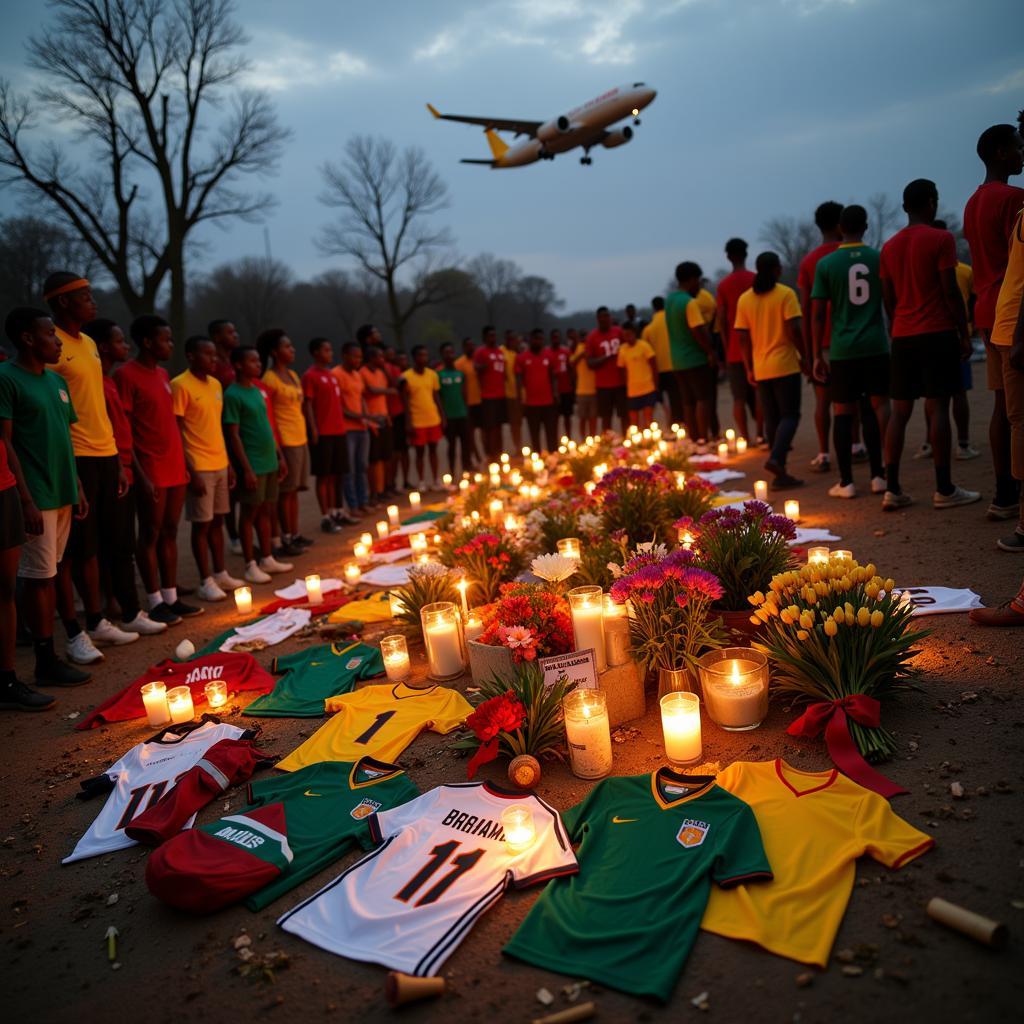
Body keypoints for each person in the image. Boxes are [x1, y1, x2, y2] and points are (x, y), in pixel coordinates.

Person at [44, 272, 136, 664]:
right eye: (84, 296)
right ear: (63, 302)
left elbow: (97, 405)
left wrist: (115, 457)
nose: (92, 301)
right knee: (78, 550)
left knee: (105, 543)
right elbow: (56, 411)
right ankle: (79, 628)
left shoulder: (89, 344)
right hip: (76, 455)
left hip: (104, 452)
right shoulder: (52, 346)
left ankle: (102, 619)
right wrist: (71, 466)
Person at [0, 307, 90, 694]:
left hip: (63, 490)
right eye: (49, 334)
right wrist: (25, 498)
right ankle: (44, 660)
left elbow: (64, 438)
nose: (57, 342)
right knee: (38, 580)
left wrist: (78, 486)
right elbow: (5, 442)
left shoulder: (56, 381)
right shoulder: (7, 379)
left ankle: (48, 657)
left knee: (50, 573)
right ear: (26, 338)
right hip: (35, 493)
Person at [879, 179, 980, 511]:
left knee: (900, 412)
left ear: (905, 207)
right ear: (932, 203)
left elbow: (888, 298)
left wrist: (899, 323)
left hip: (904, 334)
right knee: (938, 408)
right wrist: (964, 333)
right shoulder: (941, 238)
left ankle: (892, 488)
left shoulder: (890, 247)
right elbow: (950, 291)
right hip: (937, 332)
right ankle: (944, 489)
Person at [117, 315, 199, 623]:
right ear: (148, 342)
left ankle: (171, 597)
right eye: (166, 339)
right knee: (149, 533)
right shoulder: (126, 375)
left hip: (174, 465)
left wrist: (185, 464)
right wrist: (139, 472)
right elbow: (125, 428)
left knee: (170, 531)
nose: (171, 344)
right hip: (150, 467)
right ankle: (153, 602)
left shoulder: (163, 374)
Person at [963, 124, 1024, 521]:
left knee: (1002, 404)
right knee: (1017, 411)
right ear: (1002, 153)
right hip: (1013, 310)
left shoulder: (972, 202)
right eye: (1018, 148)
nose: (1022, 154)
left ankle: (1003, 492)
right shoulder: (1014, 198)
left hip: (986, 307)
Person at [90, 318, 165, 634]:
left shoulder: (109, 380)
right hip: (110, 465)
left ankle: (126, 605)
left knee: (121, 540)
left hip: (123, 467)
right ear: (104, 346)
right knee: (112, 542)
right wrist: (131, 468)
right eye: (120, 341)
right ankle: (117, 607)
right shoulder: (107, 379)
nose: (126, 346)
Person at [811, 205, 890, 499]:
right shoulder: (877, 258)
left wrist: (818, 352)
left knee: (843, 412)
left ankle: (846, 482)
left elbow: (818, 313)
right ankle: (880, 475)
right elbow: (890, 299)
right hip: (875, 344)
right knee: (878, 407)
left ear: (840, 229)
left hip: (843, 349)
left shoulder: (827, 264)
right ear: (866, 227)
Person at [171, 335, 245, 602]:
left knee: (218, 521)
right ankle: (205, 580)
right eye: (207, 354)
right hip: (199, 465)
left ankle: (220, 571)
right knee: (201, 525)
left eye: (215, 354)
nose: (214, 359)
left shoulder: (215, 384)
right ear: (191, 356)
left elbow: (216, 427)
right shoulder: (179, 385)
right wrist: (189, 468)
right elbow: (177, 430)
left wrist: (229, 464)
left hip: (219, 462)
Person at [735, 252, 805, 490]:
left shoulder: (745, 299)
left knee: (773, 420)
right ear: (777, 269)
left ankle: (780, 474)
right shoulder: (786, 294)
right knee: (791, 416)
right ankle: (776, 459)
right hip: (785, 364)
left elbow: (742, 338)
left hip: (761, 367)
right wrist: (805, 356)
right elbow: (794, 329)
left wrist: (748, 367)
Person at [223, 346, 291, 583]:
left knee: (267, 510)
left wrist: (279, 456)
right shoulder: (233, 394)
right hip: (252, 462)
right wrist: (246, 469)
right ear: (238, 365)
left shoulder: (257, 391)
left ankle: (267, 558)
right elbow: (233, 434)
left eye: (258, 360)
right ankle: (250, 563)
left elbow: (267, 426)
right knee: (249, 513)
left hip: (269, 459)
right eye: (252, 361)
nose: (258, 364)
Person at [983, 199, 1024, 552]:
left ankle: (1006, 496)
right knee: (1018, 419)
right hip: (1011, 329)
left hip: (1006, 325)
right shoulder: (1015, 207)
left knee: (1014, 418)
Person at [798, 202, 844, 474]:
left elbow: (806, 309)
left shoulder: (809, 261)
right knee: (853, 400)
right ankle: (856, 445)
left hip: (821, 342)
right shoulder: (851, 254)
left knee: (822, 401)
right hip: (850, 340)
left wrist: (808, 351)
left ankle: (824, 452)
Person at [258, 329, 312, 557]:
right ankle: (284, 536)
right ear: (274, 352)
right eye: (286, 347)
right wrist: (278, 445)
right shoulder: (269, 379)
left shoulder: (293, 375)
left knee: (295, 490)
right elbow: (270, 413)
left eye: (291, 346)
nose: (292, 350)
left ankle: (295, 532)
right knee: (285, 491)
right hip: (286, 439)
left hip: (300, 437)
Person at [665, 263, 716, 444]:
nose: (699, 287)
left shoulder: (670, 300)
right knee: (702, 398)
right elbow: (697, 330)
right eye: (698, 282)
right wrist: (710, 351)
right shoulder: (689, 302)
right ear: (692, 279)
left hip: (677, 361)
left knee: (687, 402)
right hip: (694, 358)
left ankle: (694, 438)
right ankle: (703, 437)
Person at [716, 238, 760, 442]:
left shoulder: (724, 285)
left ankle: (746, 437)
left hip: (734, 349)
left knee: (739, 398)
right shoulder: (756, 279)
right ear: (746, 254)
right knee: (759, 393)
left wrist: (726, 348)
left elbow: (722, 321)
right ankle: (761, 434)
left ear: (728, 256)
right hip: (758, 345)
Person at [303, 338, 349, 533]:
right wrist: (313, 429)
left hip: (339, 430)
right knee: (324, 476)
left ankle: (337, 511)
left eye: (331, 350)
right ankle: (325, 516)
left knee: (337, 474)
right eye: (326, 350)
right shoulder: (310, 376)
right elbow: (307, 404)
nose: (330, 353)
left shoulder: (331, 375)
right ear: (315, 353)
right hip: (323, 432)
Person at [208, 319, 241, 552]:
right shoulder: (215, 367)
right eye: (230, 332)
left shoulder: (233, 363)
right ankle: (233, 535)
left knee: (241, 487)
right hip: (222, 432)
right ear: (217, 337)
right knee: (231, 489)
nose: (235, 335)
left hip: (240, 429)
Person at [334, 342, 374, 516]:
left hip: (362, 428)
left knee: (362, 466)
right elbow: (338, 406)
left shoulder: (357, 375)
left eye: (360, 357)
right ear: (344, 356)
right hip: (347, 429)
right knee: (348, 469)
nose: (358, 360)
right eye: (354, 356)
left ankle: (363, 501)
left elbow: (361, 398)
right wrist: (360, 417)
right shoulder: (336, 374)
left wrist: (366, 417)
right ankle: (353, 505)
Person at [399, 345, 445, 488]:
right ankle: (421, 481)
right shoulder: (406, 377)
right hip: (417, 420)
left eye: (425, 355)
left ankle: (436, 480)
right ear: (414, 358)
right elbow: (405, 401)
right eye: (420, 356)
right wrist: (408, 421)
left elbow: (436, 396)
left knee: (433, 450)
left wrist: (442, 416)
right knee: (420, 452)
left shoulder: (432, 374)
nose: (423, 358)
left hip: (432, 418)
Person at [361, 345, 395, 503]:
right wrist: (388, 391)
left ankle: (383, 489)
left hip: (384, 417)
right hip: (372, 421)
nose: (383, 360)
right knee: (373, 459)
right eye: (380, 357)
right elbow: (370, 391)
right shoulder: (362, 372)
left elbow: (391, 386)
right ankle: (373, 492)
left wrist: (387, 415)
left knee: (385, 457)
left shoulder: (381, 372)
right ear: (371, 358)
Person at [586, 307, 626, 434]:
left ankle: (627, 442)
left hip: (621, 382)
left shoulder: (618, 332)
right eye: (601, 316)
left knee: (625, 416)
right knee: (606, 418)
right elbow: (590, 363)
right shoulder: (592, 337)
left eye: (607, 316)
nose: (604, 319)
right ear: (597, 319)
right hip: (603, 385)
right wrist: (606, 357)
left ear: (610, 317)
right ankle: (608, 445)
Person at [517, 329, 558, 453]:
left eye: (540, 339)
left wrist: (555, 393)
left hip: (548, 402)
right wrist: (521, 398)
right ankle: (538, 459)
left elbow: (553, 377)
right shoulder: (522, 357)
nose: (538, 341)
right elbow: (519, 380)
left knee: (551, 433)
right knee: (534, 434)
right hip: (531, 403)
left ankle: (554, 457)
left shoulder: (549, 355)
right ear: (530, 340)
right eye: (535, 339)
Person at [473, 326, 507, 460]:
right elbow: (476, 367)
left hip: (500, 395)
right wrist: (483, 366)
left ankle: (499, 453)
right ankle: (491, 455)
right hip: (488, 396)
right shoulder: (481, 351)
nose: (493, 338)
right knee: (490, 428)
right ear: (484, 337)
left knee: (499, 427)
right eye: (490, 336)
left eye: (494, 335)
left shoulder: (499, 351)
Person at [642, 296, 677, 424]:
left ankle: (669, 424)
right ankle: (680, 425)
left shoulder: (648, 329)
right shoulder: (673, 322)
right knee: (677, 399)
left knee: (663, 401)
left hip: (657, 369)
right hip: (676, 365)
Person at [616, 324, 659, 429]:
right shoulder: (622, 349)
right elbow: (621, 368)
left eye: (629, 334)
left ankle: (649, 441)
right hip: (632, 390)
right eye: (625, 335)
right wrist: (627, 384)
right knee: (634, 423)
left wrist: (655, 383)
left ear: (634, 333)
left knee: (648, 420)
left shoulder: (644, 346)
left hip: (647, 387)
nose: (627, 337)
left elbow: (653, 364)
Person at [438, 341, 472, 475]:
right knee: (451, 446)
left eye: (451, 352)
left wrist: (467, 412)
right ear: (442, 355)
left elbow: (464, 394)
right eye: (446, 353)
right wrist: (442, 416)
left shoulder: (460, 374)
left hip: (462, 414)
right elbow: (438, 398)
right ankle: (452, 473)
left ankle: (466, 471)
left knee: (466, 446)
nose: (450, 355)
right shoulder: (439, 375)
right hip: (449, 417)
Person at [384, 348, 412, 492]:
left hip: (399, 414)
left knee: (403, 450)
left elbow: (401, 389)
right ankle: (391, 483)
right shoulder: (383, 369)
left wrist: (407, 418)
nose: (392, 354)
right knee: (393, 453)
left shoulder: (395, 369)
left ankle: (405, 481)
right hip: (388, 416)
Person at [454, 337, 483, 467]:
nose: (471, 348)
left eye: (473, 345)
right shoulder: (459, 364)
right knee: (470, 434)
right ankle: (475, 458)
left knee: (484, 431)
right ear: (464, 348)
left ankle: (486, 456)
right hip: (468, 404)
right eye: (468, 345)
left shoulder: (479, 361)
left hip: (482, 400)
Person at [570, 328, 598, 439]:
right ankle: (583, 440)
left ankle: (593, 439)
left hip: (594, 389)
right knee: (582, 418)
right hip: (581, 390)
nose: (584, 339)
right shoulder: (578, 348)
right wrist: (582, 353)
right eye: (582, 336)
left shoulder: (593, 348)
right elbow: (572, 362)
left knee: (593, 418)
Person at [549, 328, 575, 442]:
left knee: (567, 417)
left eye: (558, 337)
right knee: (554, 419)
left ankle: (568, 439)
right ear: (551, 339)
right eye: (554, 337)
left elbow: (571, 369)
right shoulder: (547, 353)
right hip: (553, 392)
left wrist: (573, 386)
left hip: (566, 389)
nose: (556, 340)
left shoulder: (566, 352)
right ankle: (555, 442)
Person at [502, 330, 523, 450]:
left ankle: (519, 445)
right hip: (510, 394)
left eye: (514, 340)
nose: (513, 342)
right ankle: (517, 446)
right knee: (514, 423)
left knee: (518, 422)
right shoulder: (501, 352)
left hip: (521, 394)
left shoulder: (517, 354)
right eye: (510, 339)